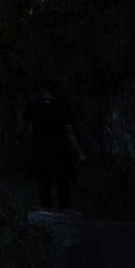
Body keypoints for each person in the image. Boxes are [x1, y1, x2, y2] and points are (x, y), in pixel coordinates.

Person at [23, 79, 85, 210]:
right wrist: (80, 152)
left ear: (41, 90)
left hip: (40, 150)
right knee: (63, 182)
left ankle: (46, 212)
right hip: (59, 150)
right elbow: (70, 130)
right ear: (54, 91)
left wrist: (19, 139)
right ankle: (66, 211)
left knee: (43, 182)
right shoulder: (62, 107)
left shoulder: (33, 105)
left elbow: (23, 124)